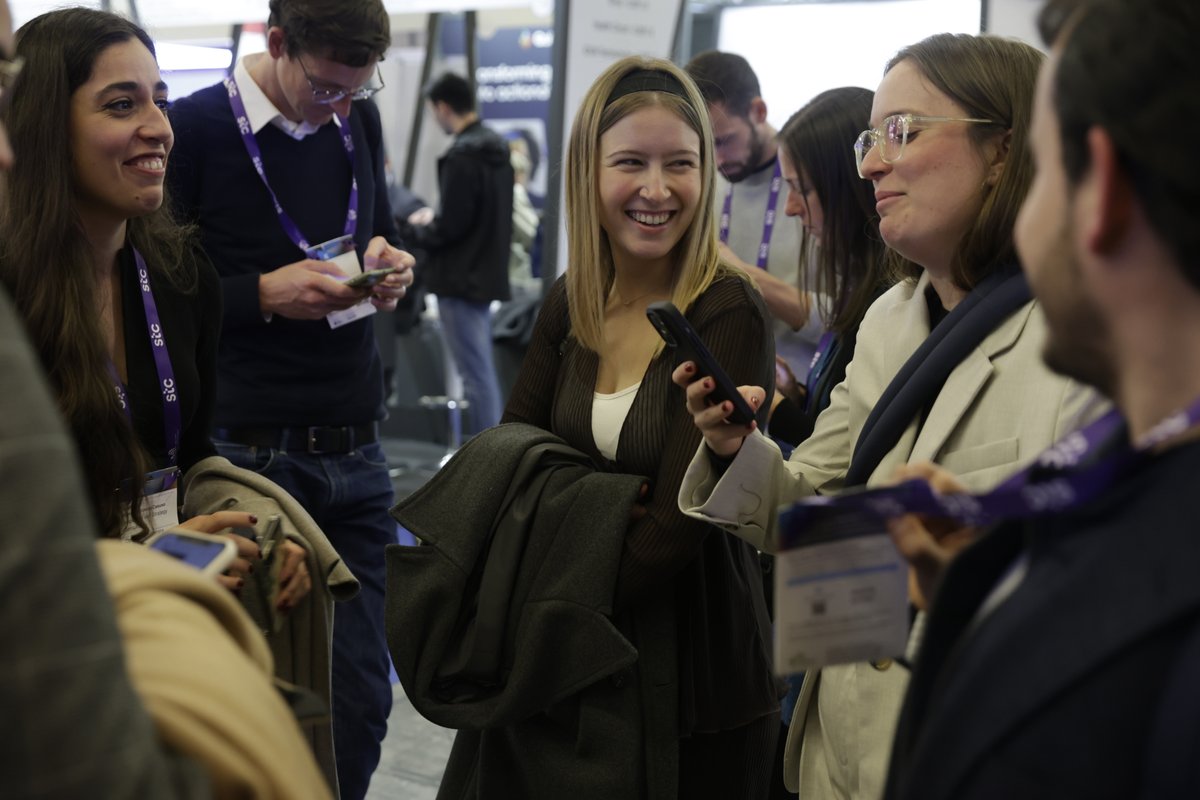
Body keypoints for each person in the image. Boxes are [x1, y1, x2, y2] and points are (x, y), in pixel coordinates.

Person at [676, 33, 1103, 799]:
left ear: (1004, 151)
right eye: (871, 138)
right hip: (833, 748)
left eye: (902, 132)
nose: (870, 163)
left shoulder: (1081, 336)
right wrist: (739, 450)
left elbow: (1088, 606)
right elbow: (816, 511)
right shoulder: (888, 320)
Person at [0, 7, 328, 798]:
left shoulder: (180, 278)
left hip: (168, 642)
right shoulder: (11, 308)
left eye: (159, 98)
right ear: (46, 124)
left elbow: (187, 457)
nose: (158, 127)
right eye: (122, 105)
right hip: (55, 680)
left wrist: (247, 537)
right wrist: (151, 566)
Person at [881, 1, 1200, 797]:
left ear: (1105, 195)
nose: (1024, 229)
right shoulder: (1110, 469)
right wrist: (987, 587)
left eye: (1044, 180)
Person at [449, 56, 779, 798]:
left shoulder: (725, 310)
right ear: (587, 172)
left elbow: (673, 524)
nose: (658, 190)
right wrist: (601, 507)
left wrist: (551, 571)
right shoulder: (573, 301)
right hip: (565, 660)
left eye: (681, 165)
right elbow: (505, 463)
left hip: (691, 669)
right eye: (631, 162)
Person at [166, 0, 414, 796]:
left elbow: (363, 233)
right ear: (275, 43)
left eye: (358, 90)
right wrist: (261, 294)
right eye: (328, 87)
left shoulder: (355, 124)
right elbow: (159, 290)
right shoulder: (195, 130)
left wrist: (385, 263)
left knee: (361, 700)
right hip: (250, 449)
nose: (342, 105)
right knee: (259, 699)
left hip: (356, 444)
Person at [767, 87, 891, 447]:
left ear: (849, 187)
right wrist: (797, 395)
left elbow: (846, 461)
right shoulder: (862, 284)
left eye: (801, 189)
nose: (790, 208)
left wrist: (770, 408)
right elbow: (833, 423)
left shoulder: (888, 303)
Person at [685, 50, 822, 375]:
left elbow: (847, 319)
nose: (716, 161)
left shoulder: (813, 183)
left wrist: (741, 273)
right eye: (705, 145)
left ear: (758, 111)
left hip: (803, 392)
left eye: (724, 141)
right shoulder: (702, 179)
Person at [401, 72, 513, 435]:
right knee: (480, 373)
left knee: (475, 376)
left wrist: (415, 228)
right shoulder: (496, 151)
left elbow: (452, 226)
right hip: (485, 276)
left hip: (459, 280)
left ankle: (488, 462)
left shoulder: (463, 156)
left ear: (443, 107)